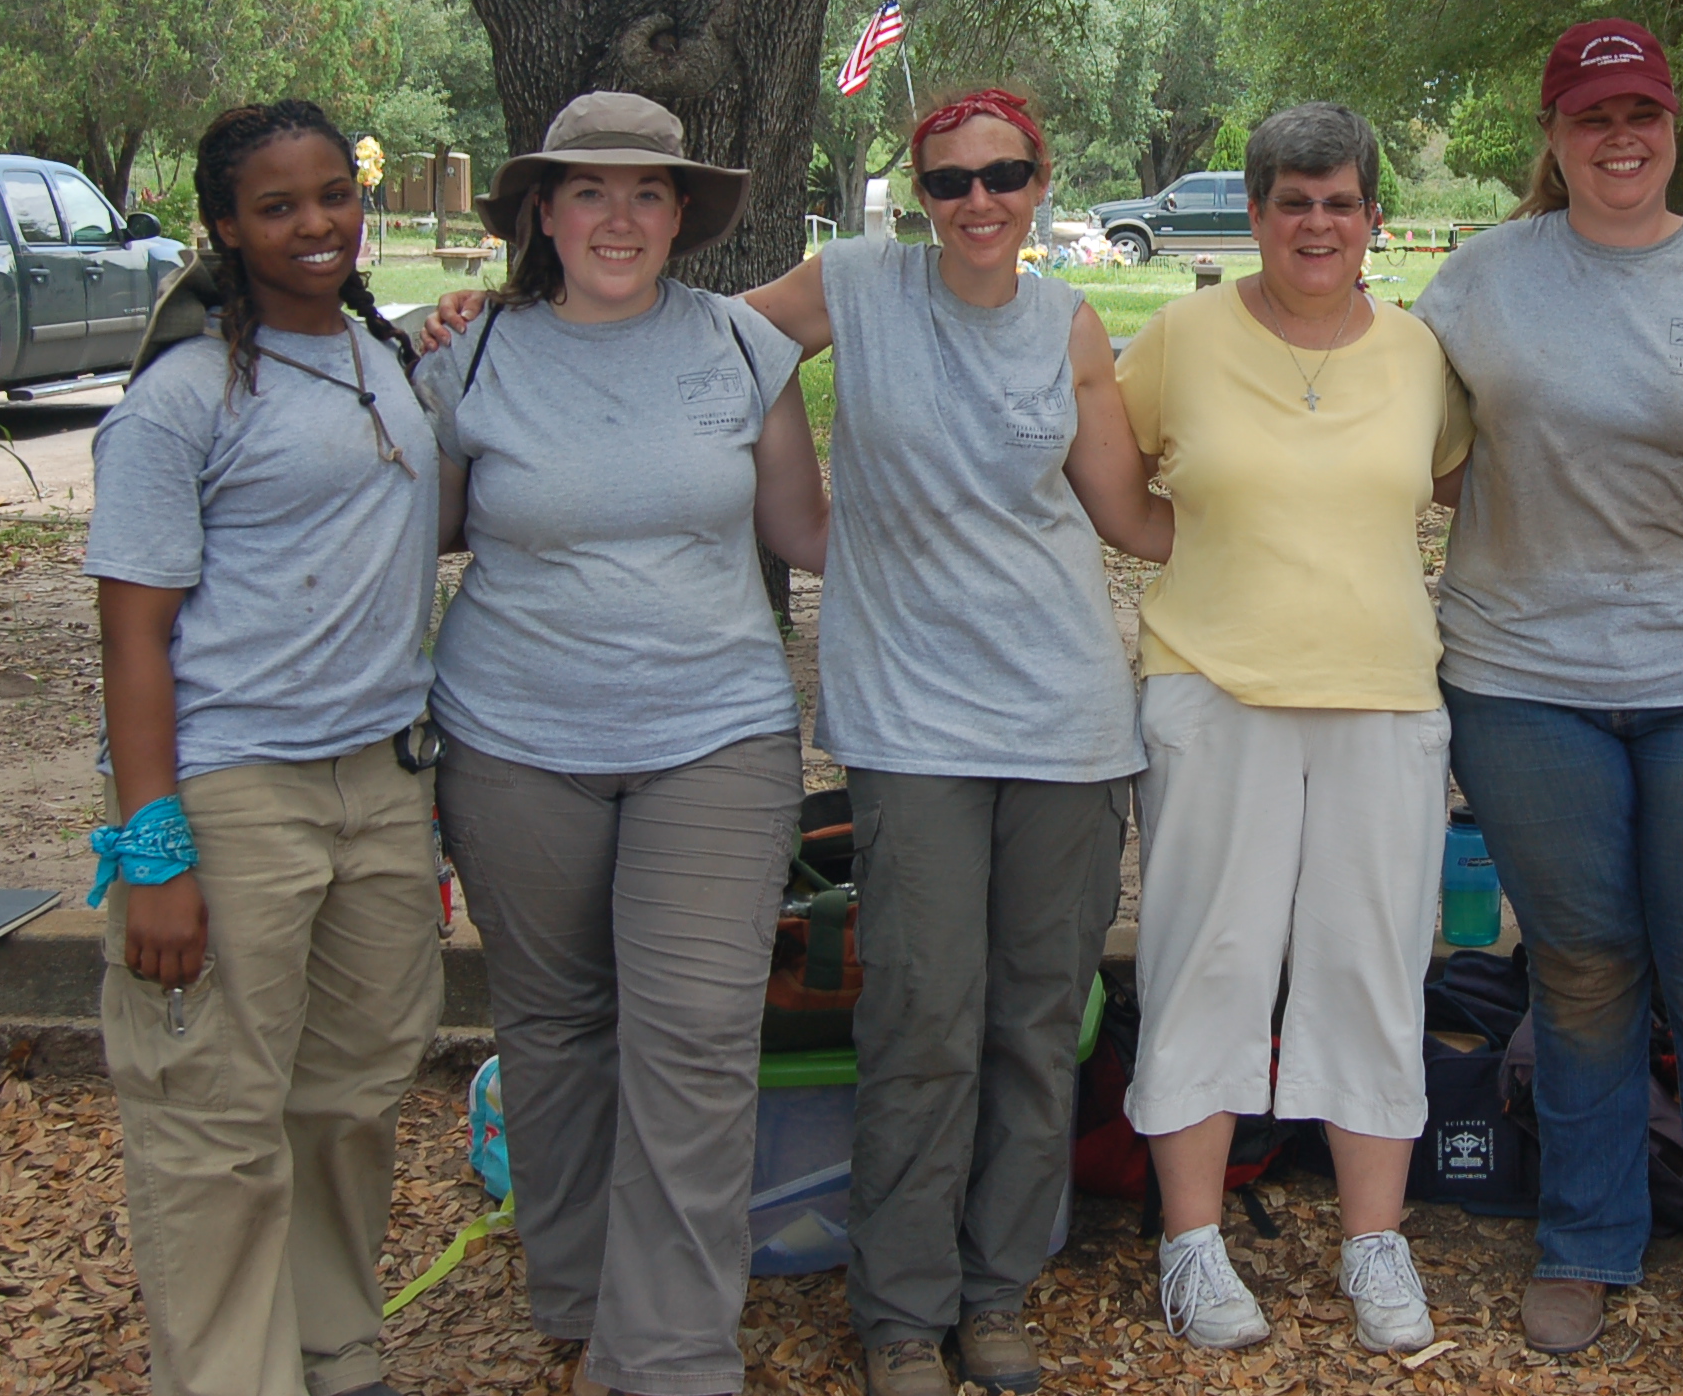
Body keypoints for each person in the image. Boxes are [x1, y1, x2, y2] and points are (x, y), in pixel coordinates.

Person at [1410, 22, 1683, 1369]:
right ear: (1553, 132)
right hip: (1524, 680)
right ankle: (1586, 1238)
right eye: (1592, 116)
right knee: (1586, 971)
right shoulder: (1476, 284)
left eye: (1642, 113)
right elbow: (1413, 459)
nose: (1619, 138)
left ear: (1672, 129)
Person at [736, 89, 1165, 1396]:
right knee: (925, 1014)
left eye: (1005, 176)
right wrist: (799, 514)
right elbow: (719, 350)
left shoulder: (1070, 325)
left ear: (1042, 182)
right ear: (918, 196)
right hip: (910, 719)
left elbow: (1129, 522)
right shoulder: (861, 284)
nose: (978, 203)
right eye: (949, 182)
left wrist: (1305, 510)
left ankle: (997, 1290)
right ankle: (902, 1313)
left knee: (1039, 1022)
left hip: (1069, 722)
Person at [416, 91, 829, 1396]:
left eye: (647, 193)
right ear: (543, 211)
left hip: (715, 732)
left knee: (698, 1032)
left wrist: (993, 512)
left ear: (682, 216)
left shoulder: (741, 350)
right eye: (589, 191)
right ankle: (580, 1284)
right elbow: (405, 538)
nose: (619, 217)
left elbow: (809, 535)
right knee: (552, 1024)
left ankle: (663, 1357)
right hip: (512, 738)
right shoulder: (470, 358)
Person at [85, 100, 445, 1396]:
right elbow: (133, 641)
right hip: (237, 792)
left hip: (382, 781)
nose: (315, 226)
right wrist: (153, 846)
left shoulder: (376, 358)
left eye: (332, 197)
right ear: (227, 227)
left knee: (350, 1097)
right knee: (216, 1121)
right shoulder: (180, 402)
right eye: (278, 207)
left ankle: (338, 1348)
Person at [1116, 101, 1471, 1358]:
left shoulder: (1421, 354)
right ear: (1254, 213)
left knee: (1371, 964)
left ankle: (1374, 1244)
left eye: (1339, 201)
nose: (1315, 221)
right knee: (1207, 957)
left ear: (1372, 217)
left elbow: (1443, 479)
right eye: (1290, 200)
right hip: (1214, 690)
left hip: (1383, 696)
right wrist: (1186, 547)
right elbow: (1111, 476)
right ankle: (1192, 1244)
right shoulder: (1179, 338)